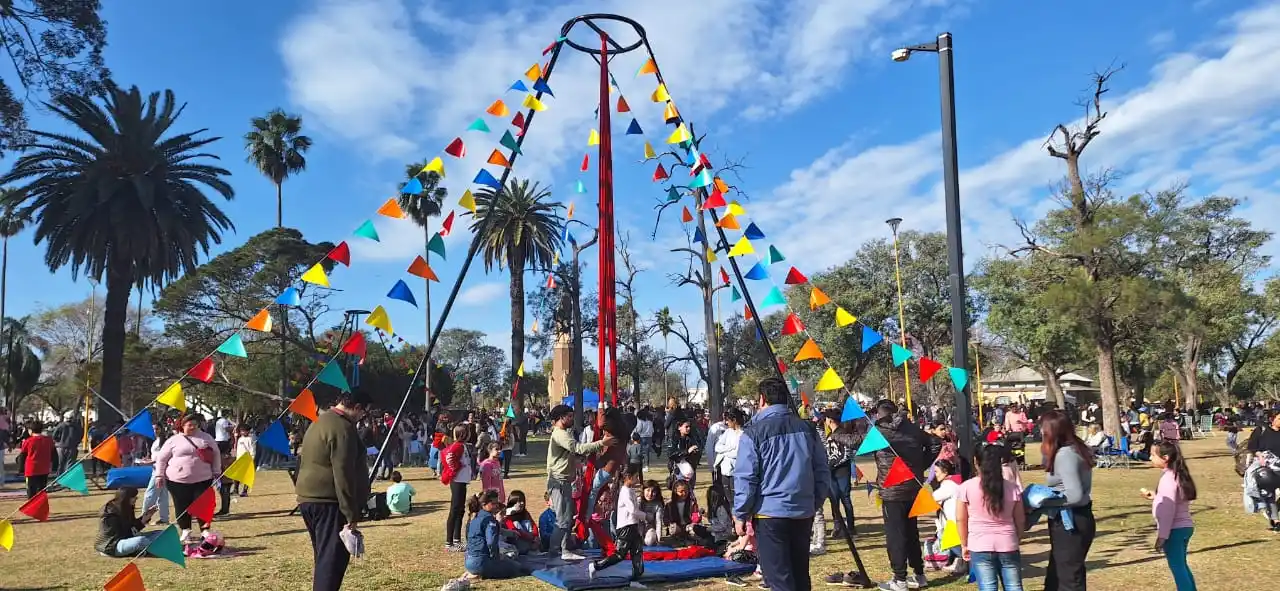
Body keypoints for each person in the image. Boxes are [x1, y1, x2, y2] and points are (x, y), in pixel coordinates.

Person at [733, 377, 831, 591]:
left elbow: (746, 478)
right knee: (799, 575)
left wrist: (740, 514)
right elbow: (822, 471)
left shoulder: (754, 432)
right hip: (802, 511)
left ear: (761, 400)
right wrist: (813, 502)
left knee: (779, 578)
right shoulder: (808, 429)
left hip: (770, 514)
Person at [295, 389, 373, 591]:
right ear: (356, 408)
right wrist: (351, 513)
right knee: (332, 563)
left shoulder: (320, 421)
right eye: (363, 412)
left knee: (323, 560)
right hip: (329, 502)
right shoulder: (342, 428)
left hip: (309, 499)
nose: (362, 417)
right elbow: (343, 473)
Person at [870, 400, 931, 591]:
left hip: (893, 492)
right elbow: (934, 442)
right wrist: (920, 466)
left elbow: (855, 441)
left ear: (880, 414)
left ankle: (900, 579)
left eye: (876, 415)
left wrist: (837, 430)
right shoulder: (911, 428)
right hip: (912, 488)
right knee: (911, 532)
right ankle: (919, 575)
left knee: (895, 536)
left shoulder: (881, 431)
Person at [545, 404, 613, 562]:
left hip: (564, 481)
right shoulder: (560, 434)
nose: (571, 419)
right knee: (563, 519)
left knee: (567, 517)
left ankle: (564, 549)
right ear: (561, 418)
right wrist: (602, 443)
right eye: (569, 416)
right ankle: (555, 551)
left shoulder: (564, 433)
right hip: (558, 482)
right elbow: (578, 448)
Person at [1038, 409, 1095, 591]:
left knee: (1069, 579)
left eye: (1043, 428)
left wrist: (1044, 501)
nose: (1040, 432)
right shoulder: (1073, 449)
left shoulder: (1065, 455)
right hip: (1070, 519)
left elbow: (1075, 495)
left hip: (1071, 521)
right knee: (1057, 574)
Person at [957, 444, 1025, 591]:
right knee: (1014, 586)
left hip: (980, 544)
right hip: (1008, 542)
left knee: (988, 587)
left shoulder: (966, 487)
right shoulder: (1013, 488)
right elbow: (1020, 519)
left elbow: (961, 519)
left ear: (976, 462)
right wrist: (1016, 538)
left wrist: (964, 544)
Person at [153, 413, 220, 543]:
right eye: (190, 425)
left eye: (195, 425)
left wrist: (216, 471)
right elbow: (161, 458)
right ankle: (185, 530)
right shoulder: (173, 440)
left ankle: (205, 530)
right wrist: (159, 475)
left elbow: (216, 454)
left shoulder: (206, 438)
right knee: (181, 505)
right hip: (177, 481)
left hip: (203, 479)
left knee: (203, 505)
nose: (193, 427)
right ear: (182, 426)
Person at [1140, 441, 1197, 590]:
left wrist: (1162, 536)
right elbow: (1175, 500)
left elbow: (1167, 511)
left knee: (1178, 568)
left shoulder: (1167, 479)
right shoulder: (1177, 474)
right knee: (1182, 566)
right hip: (1185, 527)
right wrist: (1157, 496)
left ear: (1165, 457)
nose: (1150, 458)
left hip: (1174, 530)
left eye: (1153, 455)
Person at [588, 467, 645, 583]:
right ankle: (596, 566)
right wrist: (646, 516)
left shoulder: (631, 490)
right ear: (628, 478)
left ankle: (637, 573)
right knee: (620, 554)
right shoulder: (624, 492)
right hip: (625, 527)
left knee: (637, 549)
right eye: (636, 477)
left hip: (632, 525)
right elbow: (633, 510)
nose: (638, 479)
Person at [463, 488, 532, 580]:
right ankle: (480, 572)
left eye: (497, 503)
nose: (496, 506)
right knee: (517, 567)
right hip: (482, 562)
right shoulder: (489, 520)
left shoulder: (476, 517)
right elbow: (491, 542)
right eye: (493, 503)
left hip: (469, 561)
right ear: (484, 504)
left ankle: (475, 571)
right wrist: (496, 557)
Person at [94, 487, 163, 557]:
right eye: (133, 497)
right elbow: (126, 533)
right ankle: (146, 549)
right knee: (141, 541)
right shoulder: (110, 514)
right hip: (112, 546)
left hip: (127, 539)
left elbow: (131, 528)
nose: (136, 498)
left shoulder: (127, 507)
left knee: (161, 534)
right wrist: (141, 523)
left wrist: (144, 518)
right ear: (126, 498)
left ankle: (140, 550)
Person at [442, 424, 476, 550]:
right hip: (457, 481)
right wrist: (455, 469)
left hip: (462, 481)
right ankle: (449, 543)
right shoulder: (457, 446)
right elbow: (449, 457)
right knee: (455, 510)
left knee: (460, 510)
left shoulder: (463, 446)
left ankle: (457, 540)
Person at [713, 408, 745, 506]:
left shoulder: (743, 434)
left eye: (728, 420)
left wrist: (725, 452)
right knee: (728, 498)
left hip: (737, 471)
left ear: (734, 420)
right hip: (725, 470)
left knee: (736, 497)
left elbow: (738, 453)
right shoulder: (728, 432)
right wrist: (729, 448)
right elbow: (717, 447)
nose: (726, 423)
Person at [18, 421, 55, 499]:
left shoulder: (28, 441)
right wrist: (54, 466)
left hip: (31, 470)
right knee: (42, 490)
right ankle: (41, 507)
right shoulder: (49, 440)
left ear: (30, 430)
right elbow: (54, 454)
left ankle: (32, 508)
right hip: (44, 469)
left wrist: (21, 469)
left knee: (31, 490)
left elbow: (22, 456)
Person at [501, 490, 540, 555]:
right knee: (516, 523)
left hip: (529, 539)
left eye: (523, 501)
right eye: (519, 501)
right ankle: (528, 547)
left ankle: (531, 546)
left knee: (526, 522)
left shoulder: (525, 513)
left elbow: (533, 525)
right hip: (516, 540)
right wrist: (530, 537)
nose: (522, 503)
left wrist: (535, 536)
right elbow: (514, 530)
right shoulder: (506, 514)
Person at [640, 480, 666, 546]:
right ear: (643, 490)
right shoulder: (639, 501)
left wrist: (658, 539)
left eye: (653, 491)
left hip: (650, 528)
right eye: (648, 490)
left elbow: (658, 522)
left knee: (649, 541)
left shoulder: (658, 505)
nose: (650, 494)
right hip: (638, 527)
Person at [233, 424, 256, 497]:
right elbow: (238, 449)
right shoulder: (240, 439)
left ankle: (244, 491)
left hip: (247, 459)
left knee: (246, 476)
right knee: (236, 475)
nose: (242, 432)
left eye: (244, 431)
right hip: (239, 459)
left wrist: (252, 458)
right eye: (241, 431)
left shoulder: (250, 439)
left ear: (248, 431)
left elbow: (253, 450)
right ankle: (235, 490)